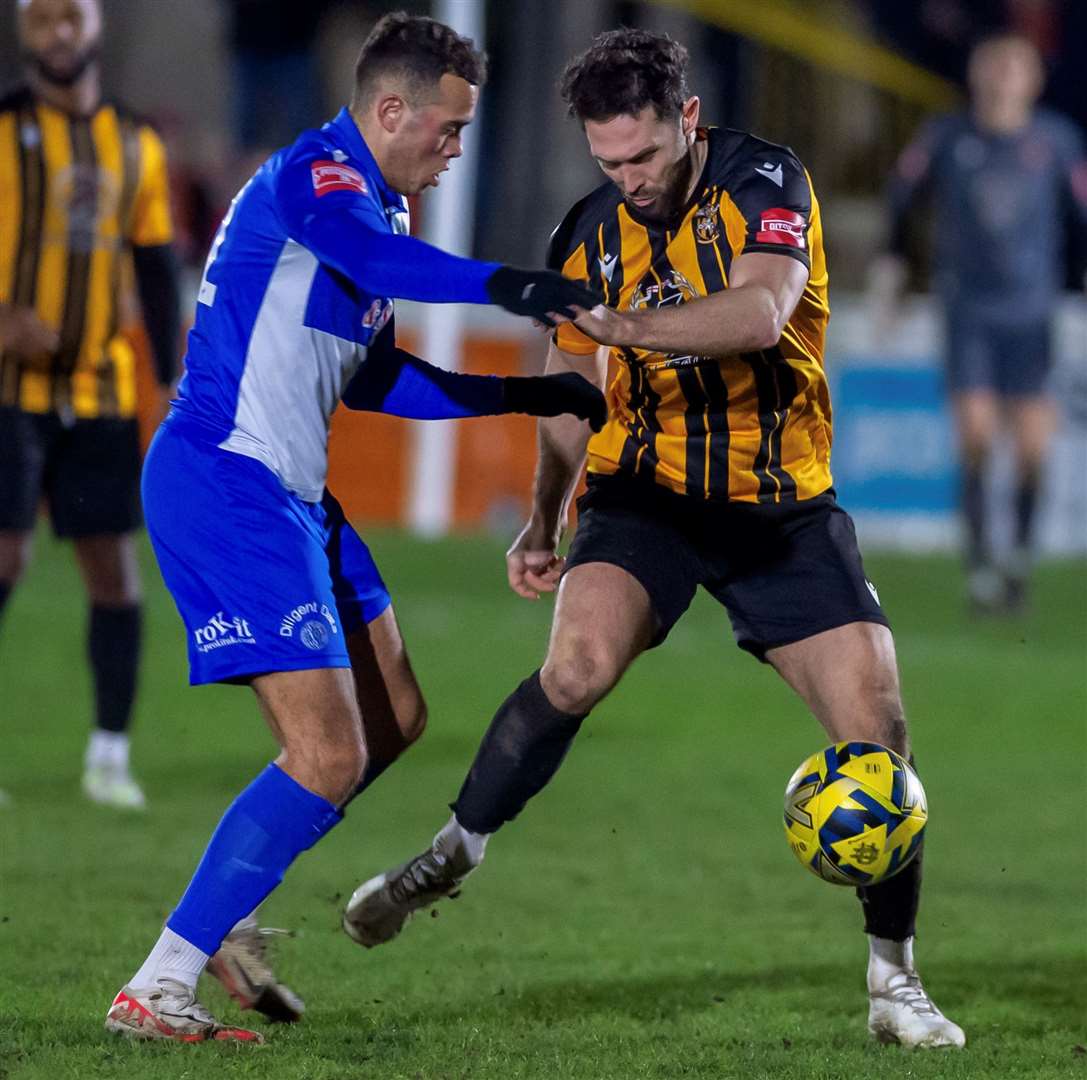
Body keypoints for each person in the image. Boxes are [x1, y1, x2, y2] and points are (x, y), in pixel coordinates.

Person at [343, 28, 967, 1051]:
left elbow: (763, 313)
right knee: (578, 666)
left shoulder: (765, 178)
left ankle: (892, 983)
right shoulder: (587, 232)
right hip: (646, 494)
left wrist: (625, 328)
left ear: (686, 120)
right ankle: (451, 851)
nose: (628, 180)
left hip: (779, 508)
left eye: (641, 157)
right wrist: (545, 517)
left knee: (880, 735)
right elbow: (564, 393)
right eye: (607, 162)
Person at [102, 12, 603, 1043]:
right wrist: (521, 290)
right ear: (389, 111)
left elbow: (374, 374)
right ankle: (159, 983)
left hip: (291, 496)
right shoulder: (317, 179)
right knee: (327, 755)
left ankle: (224, 912)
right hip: (228, 481)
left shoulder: (377, 208)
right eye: (449, 129)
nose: (455, 150)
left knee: (392, 720)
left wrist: (522, 397)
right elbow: (374, 271)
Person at [0, 0, 180, 810]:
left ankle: (109, 757)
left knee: (113, 571)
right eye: (41, 18)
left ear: (96, 24)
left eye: (70, 15)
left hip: (101, 393)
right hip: (7, 392)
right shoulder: (2, 132)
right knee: (5, 559)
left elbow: (152, 265)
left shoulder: (137, 143)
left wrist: (174, 377)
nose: (58, 31)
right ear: (22, 31)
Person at [871, 32, 1087, 613]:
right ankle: (981, 567)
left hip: (1032, 312)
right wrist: (893, 269)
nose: (1002, 78)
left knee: (1035, 449)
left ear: (1034, 79)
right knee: (976, 434)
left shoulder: (1057, 142)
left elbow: (1080, 217)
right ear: (975, 73)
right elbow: (901, 200)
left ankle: (1017, 555)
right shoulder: (947, 136)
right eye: (993, 66)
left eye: (1014, 68)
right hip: (969, 310)